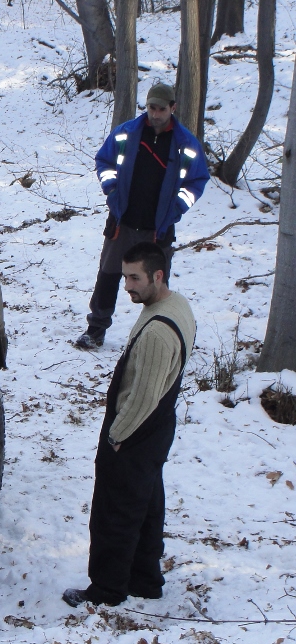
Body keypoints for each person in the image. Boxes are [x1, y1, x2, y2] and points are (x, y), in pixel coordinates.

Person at [63, 242, 196, 607]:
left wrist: (117, 436)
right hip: (159, 427)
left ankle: (107, 589)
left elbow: (143, 396)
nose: (127, 287)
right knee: (147, 504)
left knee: (114, 513)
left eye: (135, 278)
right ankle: (144, 579)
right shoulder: (177, 305)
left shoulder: (157, 332)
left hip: (136, 430)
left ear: (158, 275)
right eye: (125, 277)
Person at [74, 82, 208, 350]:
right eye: (151, 108)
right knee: (108, 275)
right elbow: (104, 161)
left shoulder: (185, 144)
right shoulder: (126, 133)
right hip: (122, 222)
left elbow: (197, 180)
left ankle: (160, 336)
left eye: (161, 109)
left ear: (173, 108)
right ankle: (96, 329)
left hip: (158, 228)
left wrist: (177, 207)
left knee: (157, 283)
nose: (155, 114)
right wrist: (111, 190)